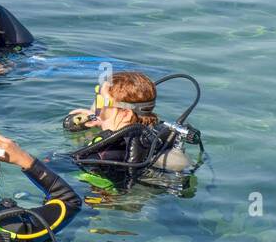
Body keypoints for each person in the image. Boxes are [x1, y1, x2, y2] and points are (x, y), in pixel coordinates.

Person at [64, 70, 197, 182]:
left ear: (125, 114)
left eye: (101, 101)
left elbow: (59, 167)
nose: (97, 106)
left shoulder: (105, 154)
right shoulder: (154, 133)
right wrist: (102, 120)